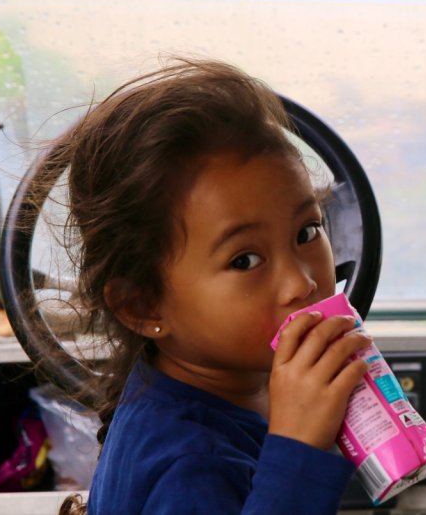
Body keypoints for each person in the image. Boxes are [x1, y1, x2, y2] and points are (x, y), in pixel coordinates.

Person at [52, 59, 372, 514]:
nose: (302, 282)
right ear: (143, 306)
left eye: (307, 232)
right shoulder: (191, 468)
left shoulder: (219, 384)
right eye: (245, 260)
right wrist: (298, 450)